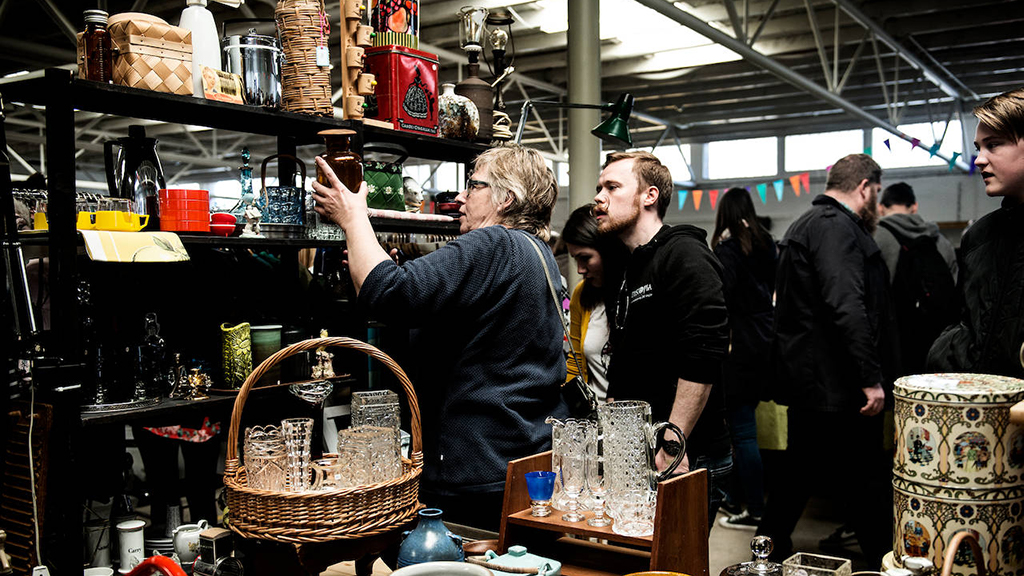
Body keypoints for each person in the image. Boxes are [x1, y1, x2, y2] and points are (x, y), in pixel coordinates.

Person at [312, 145, 569, 531]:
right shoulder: (536, 252)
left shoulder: (494, 243)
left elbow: (389, 293)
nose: (460, 197)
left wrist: (353, 219)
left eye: (473, 186)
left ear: (507, 198)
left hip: (476, 469)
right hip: (521, 458)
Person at [757, 153, 897, 565]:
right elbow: (847, 305)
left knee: (797, 476)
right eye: (877, 193)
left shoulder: (809, 223)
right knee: (866, 482)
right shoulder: (835, 228)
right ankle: (881, 563)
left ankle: (767, 552)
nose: (877, 202)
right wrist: (871, 378)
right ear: (866, 188)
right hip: (835, 384)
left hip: (815, 382)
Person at [594, 151, 732, 526]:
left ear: (649, 196)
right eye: (598, 188)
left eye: (612, 187)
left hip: (683, 453)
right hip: (642, 449)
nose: (599, 197)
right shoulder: (631, 263)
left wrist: (674, 442)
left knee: (673, 565)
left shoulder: (683, 253)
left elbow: (704, 354)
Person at [927, 87, 1024, 379]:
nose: (979, 159)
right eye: (978, 148)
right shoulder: (978, 238)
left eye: (993, 145)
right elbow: (968, 325)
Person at [709, 188, 777, 530]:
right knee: (744, 432)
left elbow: (722, 300)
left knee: (742, 435)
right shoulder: (766, 244)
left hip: (736, 349)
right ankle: (738, 500)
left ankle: (754, 509)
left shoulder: (727, 250)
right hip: (763, 345)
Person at [874, 182, 958, 375]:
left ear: (881, 207)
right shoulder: (940, 241)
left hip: (893, 346)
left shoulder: (876, 238)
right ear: (914, 206)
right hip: (936, 343)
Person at [561, 203, 627, 402]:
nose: (580, 269)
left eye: (585, 258)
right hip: (594, 420)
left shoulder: (633, 290)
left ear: (607, 252)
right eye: (575, 260)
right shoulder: (581, 295)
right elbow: (575, 362)